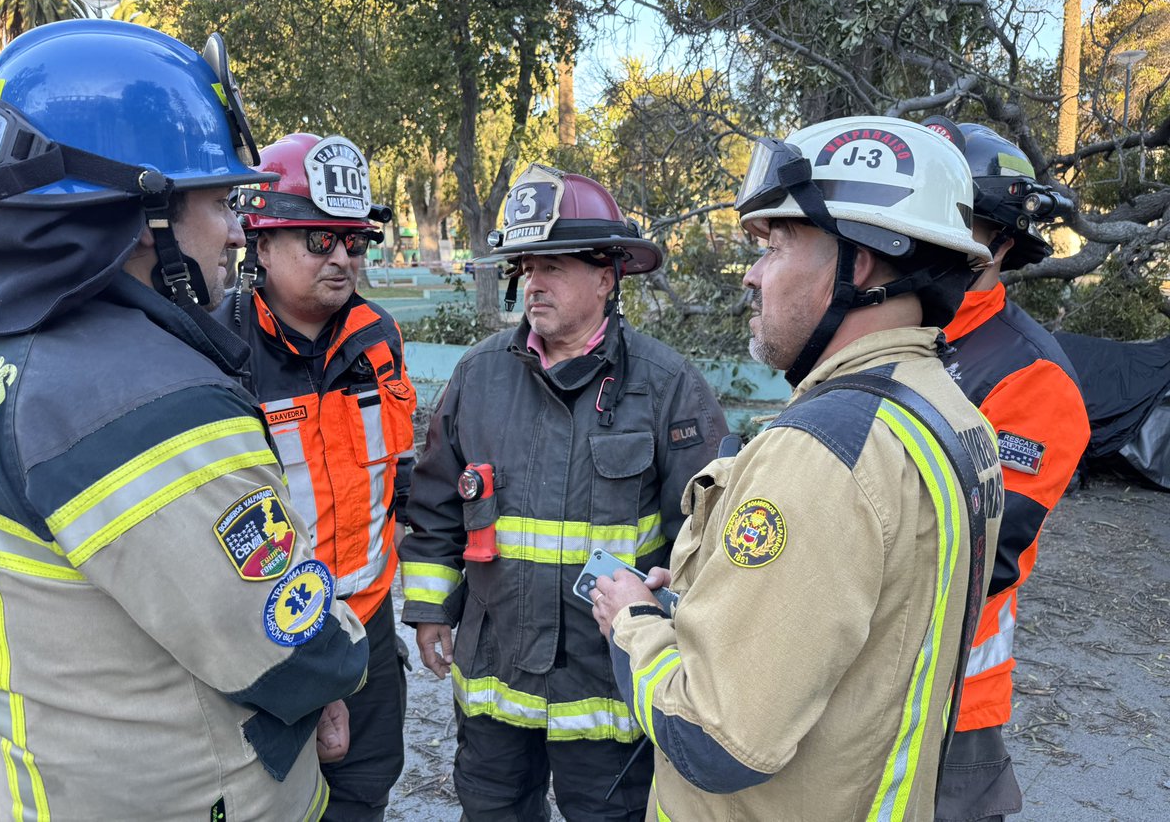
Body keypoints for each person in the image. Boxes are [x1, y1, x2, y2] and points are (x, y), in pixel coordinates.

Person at [0, 20, 368, 820]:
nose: (233, 229)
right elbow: (281, 640)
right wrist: (345, 659)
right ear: (142, 206)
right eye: (220, 199)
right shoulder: (147, 401)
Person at [591, 116, 1006, 821]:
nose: (752, 275)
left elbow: (713, 738)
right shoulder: (948, 410)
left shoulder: (823, 452)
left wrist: (632, 620)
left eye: (777, 245)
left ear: (861, 262)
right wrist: (699, 601)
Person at [398, 163, 728, 821]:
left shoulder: (668, 387)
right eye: (525, 265)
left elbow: (708, 539)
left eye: (553, 264)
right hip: (497, 675)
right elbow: (436, 501)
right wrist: (432, 610)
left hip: (609, 685)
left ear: (606, 277)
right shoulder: (479, 375)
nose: (533, 281)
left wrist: (677, 638)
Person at [218, 132, 416, 822]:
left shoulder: (378, 337)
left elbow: (396, 479)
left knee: (364, 790)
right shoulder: (217, 353)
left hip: (368, 626)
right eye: (317, 240)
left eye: (354, 242)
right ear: (260, 243)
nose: (341, 258)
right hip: (266, 645)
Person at [923, 120, 1090, 822]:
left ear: (999, 239)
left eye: (946, 218)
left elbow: (983, 554)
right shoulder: (891, 335)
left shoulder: (1031, 374)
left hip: (953, 693)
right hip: (851, 675)